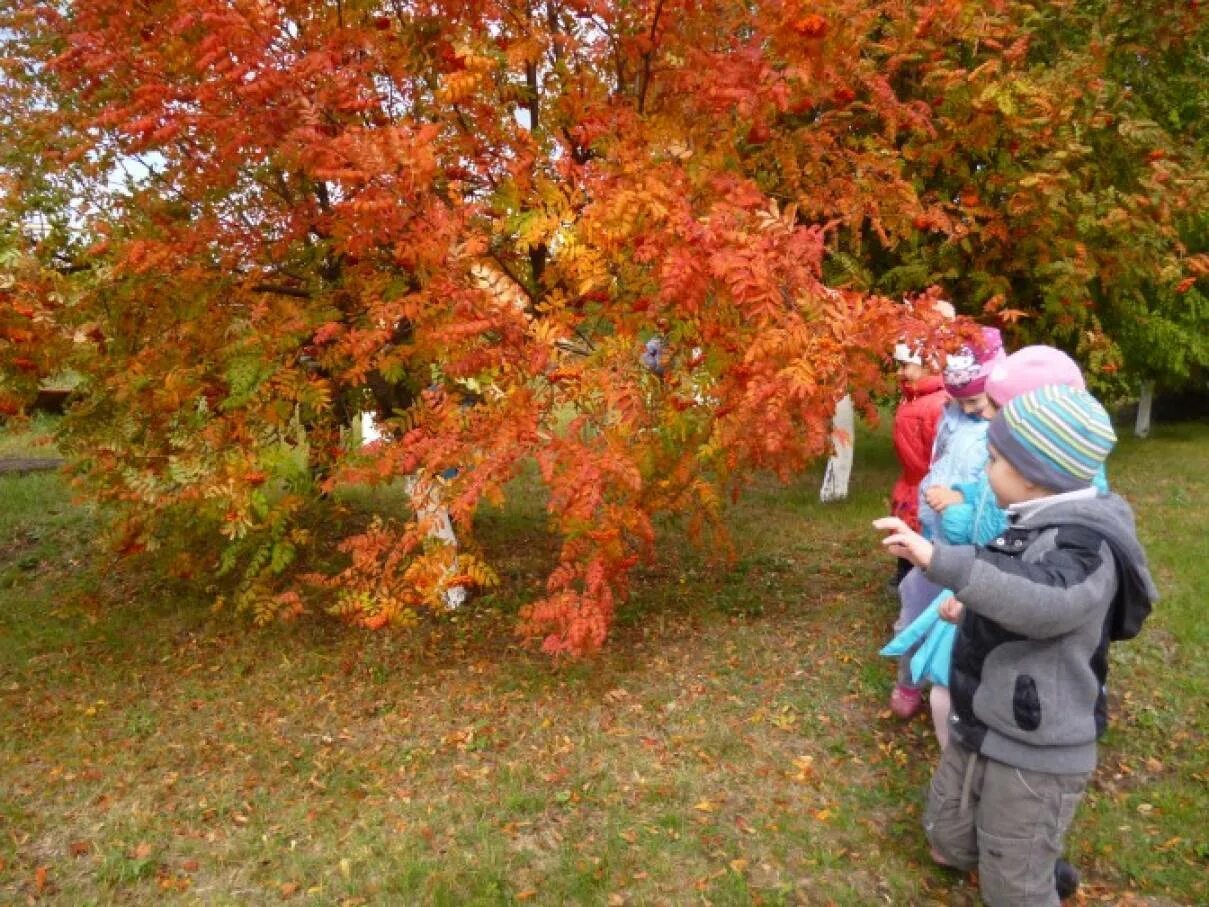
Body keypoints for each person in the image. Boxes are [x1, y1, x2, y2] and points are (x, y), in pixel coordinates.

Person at [874, 384, 1157, 906]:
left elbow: (1046, 599)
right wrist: (973, 600)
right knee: (947, 837)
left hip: (1035, 745)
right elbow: (1009, 581)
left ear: (1032, 475)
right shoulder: (1028, 520)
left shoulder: (1086, 545)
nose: (986, 469)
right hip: (981, 716)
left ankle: (1031, 875)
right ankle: (1016, 858)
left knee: (1013, 885)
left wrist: (938, 560)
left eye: (994, 459)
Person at [888, 327, 1004, 720]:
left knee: (954, 623)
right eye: (961, 401)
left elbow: (991, 495)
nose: (969, 408)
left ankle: (956, 694)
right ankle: (908, 680)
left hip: (970, 548)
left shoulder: (1001, 432)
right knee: (913, 607)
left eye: (975, 400)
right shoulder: (952, 414)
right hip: (936, 536)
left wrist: (957, 499)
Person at [887, 339, 947, 592]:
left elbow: (940, 453)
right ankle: (905, 578)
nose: (900, 372)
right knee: (907, 531)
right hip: (911, 482)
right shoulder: (913, 399)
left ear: (928, 366)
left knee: (920, 536)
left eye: (905, 365)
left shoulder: (936, 404)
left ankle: (915, 586)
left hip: (926, 484)